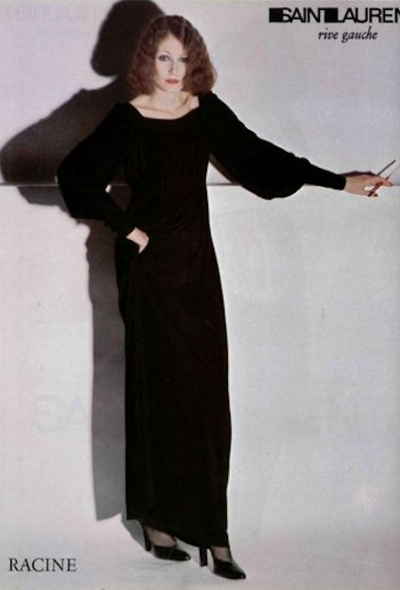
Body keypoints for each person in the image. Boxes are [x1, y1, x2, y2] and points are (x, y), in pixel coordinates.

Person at [57, 14, 391, 581]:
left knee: (207, 401)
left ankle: (215, 533)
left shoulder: (204, 111)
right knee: (155, 395)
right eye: (164, 57)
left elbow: (261, 159)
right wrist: (128, 228)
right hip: (148, 275)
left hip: (195, 272)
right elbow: (75, 178)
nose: (174, 70)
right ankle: (158, 522)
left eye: (183, 59)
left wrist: (341, 181)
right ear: (146, 60)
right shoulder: (127, 118)